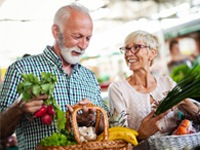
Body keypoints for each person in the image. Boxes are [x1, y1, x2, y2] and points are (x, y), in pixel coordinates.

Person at [0, 3, 107, 150]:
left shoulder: (89, 77)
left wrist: (93, 120)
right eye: (77, 36)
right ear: (56, 32)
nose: (83, 45)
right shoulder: (21, 69)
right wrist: (18, 108)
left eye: (88, 38)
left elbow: (107, 128)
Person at [108, 30, 199, 142]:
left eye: (136, 47)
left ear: (152, 53)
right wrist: (140, 135)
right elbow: (119, 139)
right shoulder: (118, 90)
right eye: (126, 49)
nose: (129, 53)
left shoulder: (167, 83)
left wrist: (184, 101)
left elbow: (197, 117)